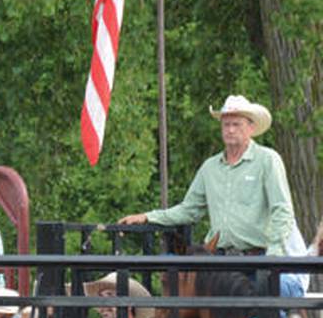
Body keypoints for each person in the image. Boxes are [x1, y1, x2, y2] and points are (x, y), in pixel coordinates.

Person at [119, 95, 296, 258]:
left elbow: (282, 209)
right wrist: (148, 217)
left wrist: (273, 253)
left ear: (251, 128)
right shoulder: (210, 167)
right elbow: (189, 210)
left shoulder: (267, 160)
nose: (230, 130)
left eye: (236, 124)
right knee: (170, 269)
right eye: (226, 125)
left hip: (256, 258)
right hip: (217, 258)